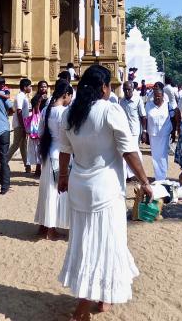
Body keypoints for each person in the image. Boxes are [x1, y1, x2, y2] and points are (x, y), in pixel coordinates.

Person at [56, 65, 150, 320]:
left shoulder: (70, 113)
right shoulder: (110, 110)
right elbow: (128, 151)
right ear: (104, 88)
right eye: (109, 85)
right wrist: (145, 181)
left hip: (79, 185)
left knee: (86, 242)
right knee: (104, 244)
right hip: (106, 190)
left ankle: (104, 296)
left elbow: (64, 150)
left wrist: (62, 177)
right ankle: (83, 308)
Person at [34, 79, 73, 240]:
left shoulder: (46, 110)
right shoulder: (64, 112)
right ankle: (51, 228)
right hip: (61, 155)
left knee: (46, 191)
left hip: (48, 153)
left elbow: (41, 132)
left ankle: (44, 226)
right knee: (56, 193)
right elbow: (69, 137)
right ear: (66, 95)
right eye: (70, 96)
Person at [119, 81, 146, 179]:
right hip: (124, 131)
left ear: (133, 89)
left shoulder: (138, 100)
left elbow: (143, 116)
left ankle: (137, 174)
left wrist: (144, 131)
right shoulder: (121, 101)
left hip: (135, 131)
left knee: (135, 152)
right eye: (125, 89)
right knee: (125, 152)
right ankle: (128, 175)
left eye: (129, 89)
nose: (127, 91)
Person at [144, 87, 172, 181]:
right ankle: (158, 177)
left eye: (159, 96)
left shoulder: (168, 105)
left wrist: (175, 131)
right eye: (155, 96)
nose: (157, 98)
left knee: (163, 155)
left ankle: (163, 176)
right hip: (153, 134)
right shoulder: (148, 105)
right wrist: (145, 133)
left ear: (163, 96)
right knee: (155, 156)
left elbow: (173, 118)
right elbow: (145, 119)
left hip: (165, 134)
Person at [7, 78, 32, 173]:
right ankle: (4, 163)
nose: (30, 88)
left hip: (22, 124)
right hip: (20, 125)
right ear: (25, 87)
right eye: (30, 86)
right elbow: (19, 111)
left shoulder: (24, 96)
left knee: (23, 146)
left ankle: (27, 165)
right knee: (15, 145)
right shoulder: (20, 96)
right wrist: (23, 126)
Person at [27, 81, 50, 177]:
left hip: (46, 123)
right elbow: (36, 110)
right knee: (37, 146)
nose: (43, 89)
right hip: (37, 124)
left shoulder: (49, 99)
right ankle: (38, 168)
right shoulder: (35, 98)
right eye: (41, 87)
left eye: (45, 87)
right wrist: (40, 99)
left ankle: (44, 168)